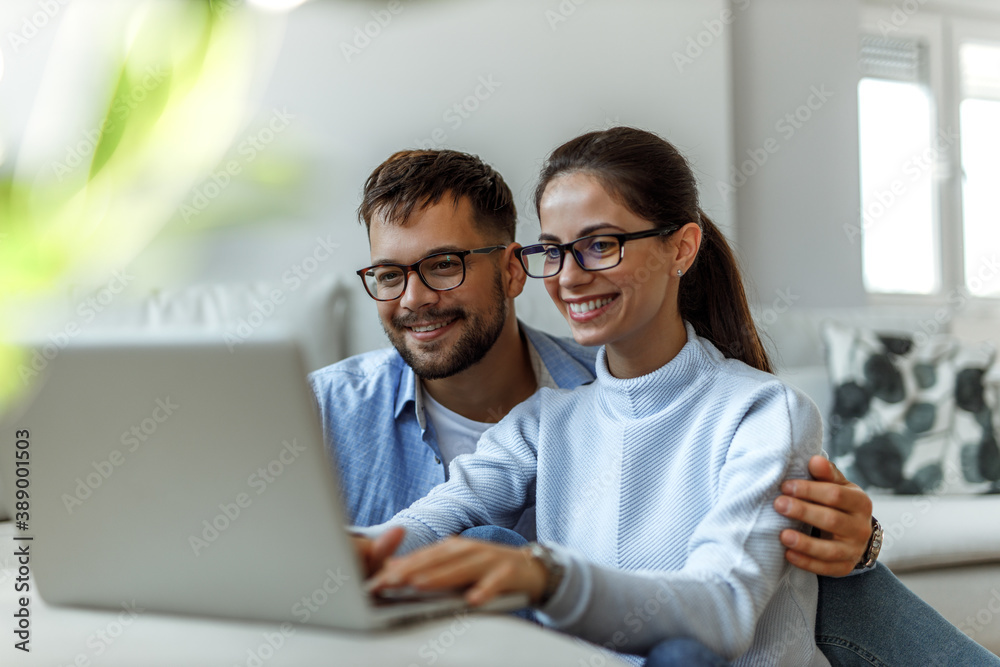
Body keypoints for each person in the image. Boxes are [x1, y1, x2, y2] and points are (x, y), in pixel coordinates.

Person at [312, 146, 1000, 665]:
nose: (412, 299)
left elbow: (726, 607)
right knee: (487, 544)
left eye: (601, 245)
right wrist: (311, 556)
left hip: (694, 645)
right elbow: (425, 522)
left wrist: (860, 545)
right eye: (388, 274)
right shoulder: (546, 419)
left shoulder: (750, 408)